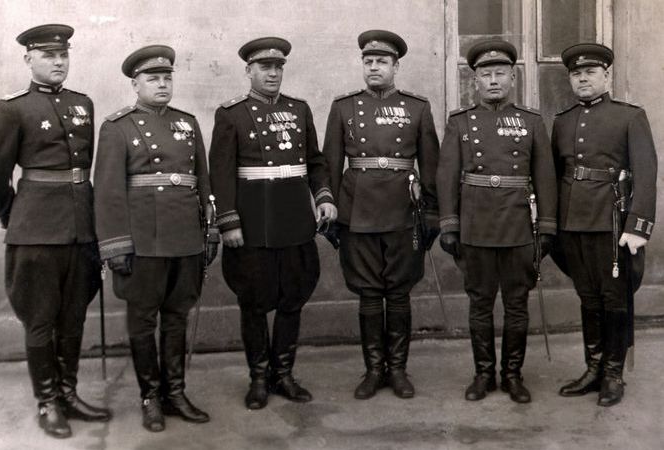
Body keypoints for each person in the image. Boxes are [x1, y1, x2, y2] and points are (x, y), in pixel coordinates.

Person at [0, 24, 111, 438]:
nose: (58, 62)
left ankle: (68, 394)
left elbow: (83, 170)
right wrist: (11, 213)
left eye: (63, 55)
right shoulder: (13, 108)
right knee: (40, 319)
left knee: (73, 317)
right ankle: (48, 401)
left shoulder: (82, 104)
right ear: (29, 59)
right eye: (49, 55)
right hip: (35, 231)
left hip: (80, 229)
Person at [94, 45, 217, 431]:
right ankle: (150, 397)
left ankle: (175, 393)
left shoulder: (187, 123)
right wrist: (115, 245)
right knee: (144, 321)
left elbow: (203, 181)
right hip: (143, 241)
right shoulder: (118, 126)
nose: (162, 84)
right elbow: (108, 192)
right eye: (152, 78)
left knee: (177, 317)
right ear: (136, 84)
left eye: (167, 77)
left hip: (185, 238)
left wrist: (209, 229)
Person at [209, 36, 337, 410]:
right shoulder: (231, 114)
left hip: (294, 219)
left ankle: (284, 375)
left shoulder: (299, 110)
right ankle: (259, 378)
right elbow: (221, 173)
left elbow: (315, 162)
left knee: (292, 299)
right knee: (253, 302)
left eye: (278, 67)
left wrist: (324, 197)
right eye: (265, 67)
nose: (273, 74)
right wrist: (228, 222)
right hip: (252, 224)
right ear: (249, 71)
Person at [436, 39, 557, 404]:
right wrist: (449, 224)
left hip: (518, 226)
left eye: (500, 74)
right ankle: (484, 374)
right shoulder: (460, 122)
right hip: (475, 226)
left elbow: (545, 178)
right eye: (485, 74)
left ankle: (513, 375)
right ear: (475, 80)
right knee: (480, 303)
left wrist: (546, 226)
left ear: (512, 79)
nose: (493, 81)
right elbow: (446, 175)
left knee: (517, 304)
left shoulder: (531, 121)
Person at [323, 30, 440, 400]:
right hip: (357, 209)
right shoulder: (343, 107)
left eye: (382, 61)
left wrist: (432, 214)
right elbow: (330, 163)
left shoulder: (417, 107)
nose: (374, 67)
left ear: (396, 66)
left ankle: (399, 370)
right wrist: (329, 206)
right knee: (369, 292)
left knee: (399, 291)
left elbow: (431, 166)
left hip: (403, 209)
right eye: (368, 61)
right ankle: (374, 370)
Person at [553, 43, 657, 407]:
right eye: (576, 74)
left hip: (612, 223)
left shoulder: (630, 117)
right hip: (572, 223)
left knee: (614, 299)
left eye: (590, 72)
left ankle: (613, 374)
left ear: (606, 75)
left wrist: (638, 226)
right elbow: (555, 175)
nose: (582, 79)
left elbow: (646, 174)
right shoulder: (563, 121)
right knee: (588, 296)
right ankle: (593, 368)